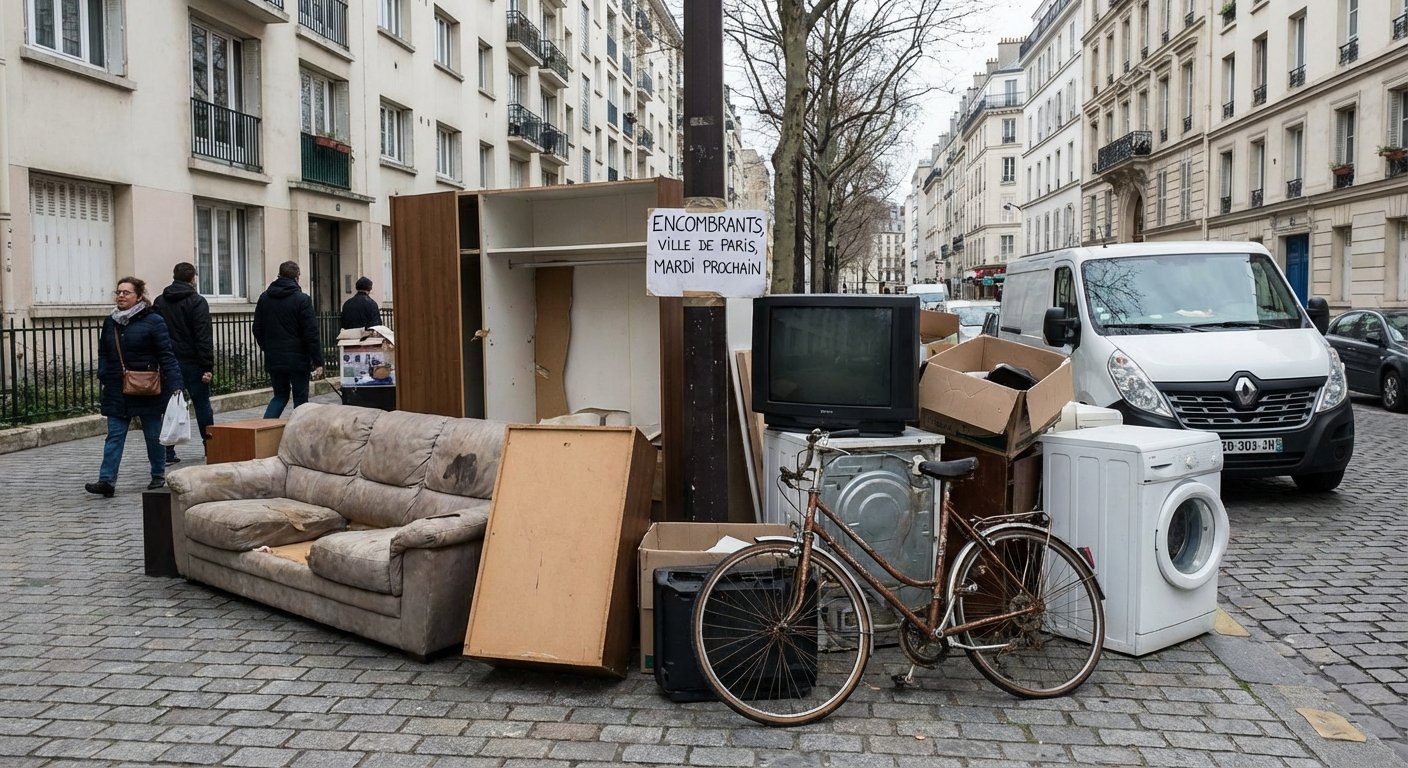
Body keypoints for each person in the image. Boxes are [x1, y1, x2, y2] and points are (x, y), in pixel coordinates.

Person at [86, 277, 183, 497]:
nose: (120, 296)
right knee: (115, 436)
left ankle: (158, 474)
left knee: (152, 434)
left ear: (139, 296)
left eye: (126, 292)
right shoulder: (111, 321)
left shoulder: (154, 321)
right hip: (116, 389)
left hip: (147, 389)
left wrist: (176, 384)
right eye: (118, 292)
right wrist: (104, 374)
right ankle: (106, 480)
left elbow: (166, 355)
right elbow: (103, 352)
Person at [153, 262, 214, 464]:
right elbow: (203, 335)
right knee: (202, 405)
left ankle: (168, 451)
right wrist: (207, 366)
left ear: (174, 276)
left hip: (168, 361)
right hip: (193, 362)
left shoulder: (160, 301)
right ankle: (211, 447)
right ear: (192, 278)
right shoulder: (197, 301)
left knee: (168, 406)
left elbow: (155, 333)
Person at [252, 261, 324, 418]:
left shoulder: (265, 298)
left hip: (274, 357)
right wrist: (317, 361)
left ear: (279, 275)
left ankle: (265, 429)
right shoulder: (302, 300)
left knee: (280, 396)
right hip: (298, 359)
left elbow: (257, 328)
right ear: (297, 276)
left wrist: (267, 346)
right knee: (301, 400)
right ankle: (298, 434)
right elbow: (311, 333)